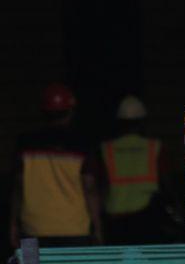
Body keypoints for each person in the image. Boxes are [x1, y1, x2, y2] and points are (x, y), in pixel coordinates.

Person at [10, 83, 103, 249]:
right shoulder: (81, 145)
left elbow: (19, 185)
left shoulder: (26, 144)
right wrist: (97, 227)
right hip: (75, 228)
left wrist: (13, 224)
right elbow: (90, 187)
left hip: (34, 227)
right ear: (71, 111)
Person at [101, 95, 168, 244]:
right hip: (146, 216)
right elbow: (165, 181)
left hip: (114, 216)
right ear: (143, 122)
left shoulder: (106, 149)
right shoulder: (154, 147)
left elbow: (99, 183)